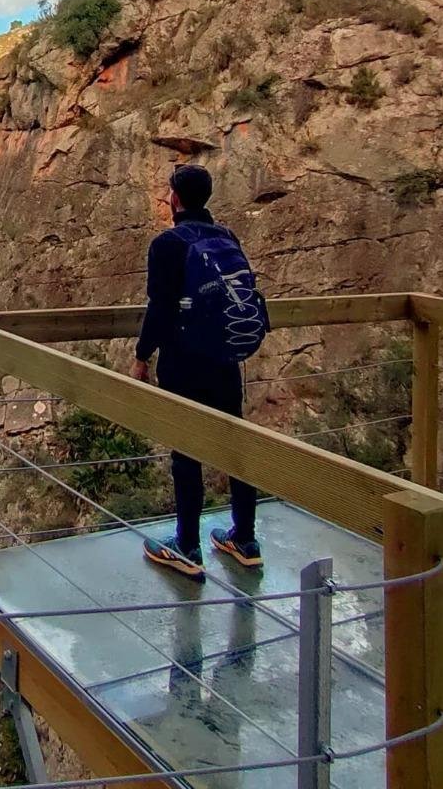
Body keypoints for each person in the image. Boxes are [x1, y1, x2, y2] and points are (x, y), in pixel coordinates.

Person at [131, 164, 269, 577]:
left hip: (184, 359)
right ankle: (244, 538)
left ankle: (188, 547)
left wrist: (142, 356)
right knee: (235, 444)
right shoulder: (226, 237)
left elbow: (159, 308)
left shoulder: (167, 244)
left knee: (186, 452)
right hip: (226, 358)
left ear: (174, 197)